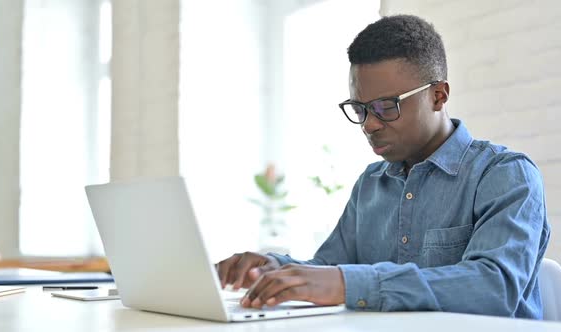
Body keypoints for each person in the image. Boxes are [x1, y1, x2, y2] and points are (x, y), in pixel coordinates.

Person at [216, 14, 550, 319]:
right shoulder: (371, 184)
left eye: (386, 107)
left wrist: (348, 284)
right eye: (360, 108)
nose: (369, 124)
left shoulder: (505, 176)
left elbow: (494, 288)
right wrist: (276, 269)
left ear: (438, 95)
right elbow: (330, 268)